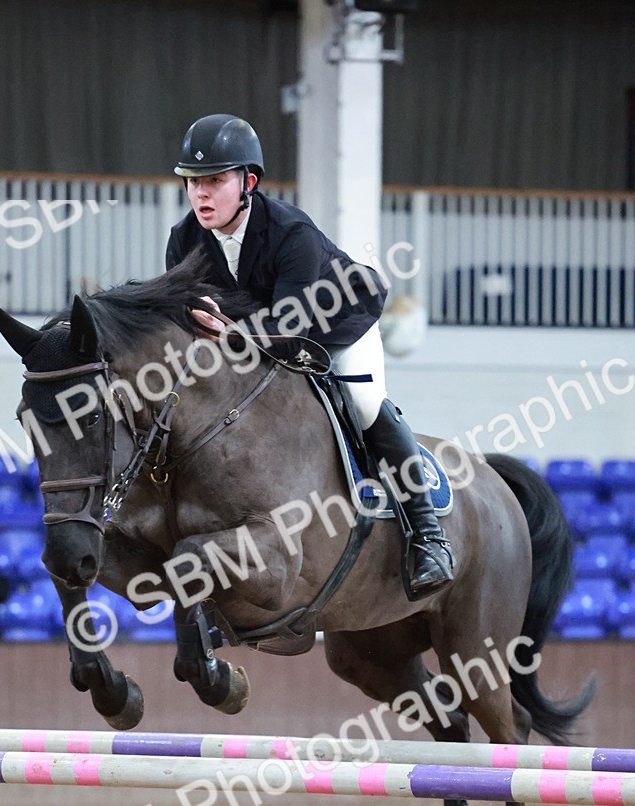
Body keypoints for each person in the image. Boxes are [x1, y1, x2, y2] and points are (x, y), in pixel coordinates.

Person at [166, 113, 454, 597]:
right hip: (255, 337)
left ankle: (428, 535)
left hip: (336, 324)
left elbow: (290, 327)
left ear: (248, 182)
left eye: (214, 181)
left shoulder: (290, 231)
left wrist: (229, 330)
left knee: (363, 406)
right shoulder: (184, 240)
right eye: (193, 182)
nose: (201, 194)